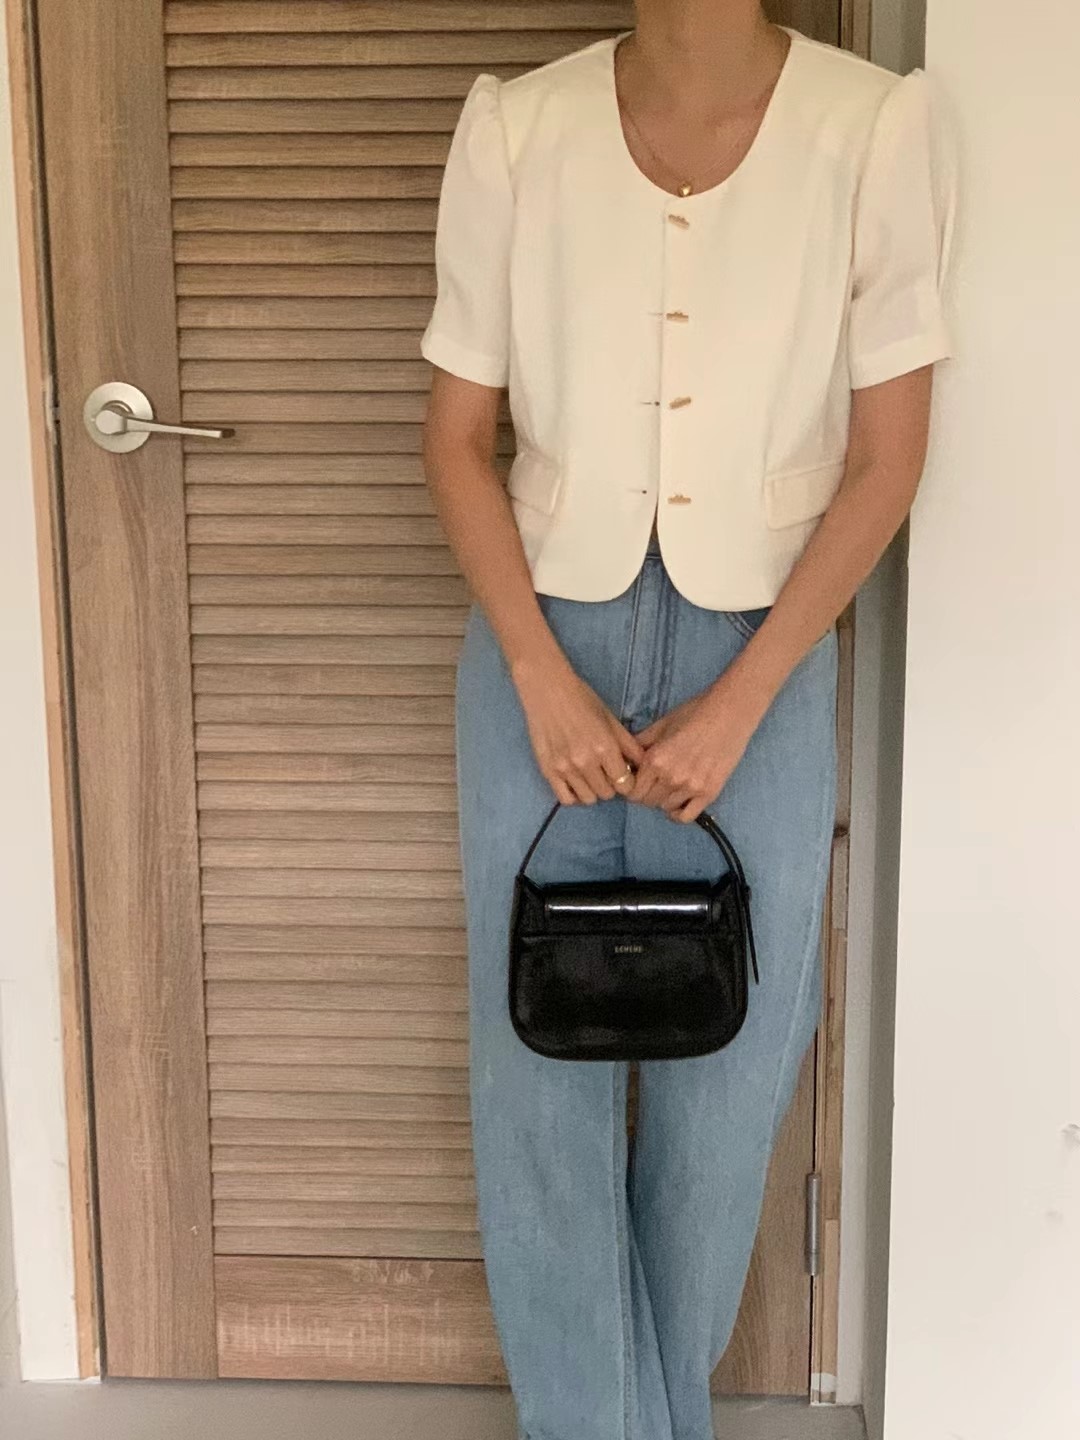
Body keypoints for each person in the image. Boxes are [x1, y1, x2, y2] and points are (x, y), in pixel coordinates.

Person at [419, 4, 956, 1438]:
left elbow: (889, 457)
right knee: (535, 1073)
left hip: (763, 653)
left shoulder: (873, 126)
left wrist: (743, 702)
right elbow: (456, 439)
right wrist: (537, 674)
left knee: (730, 1070)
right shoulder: (517, 125)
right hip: (542, 640)